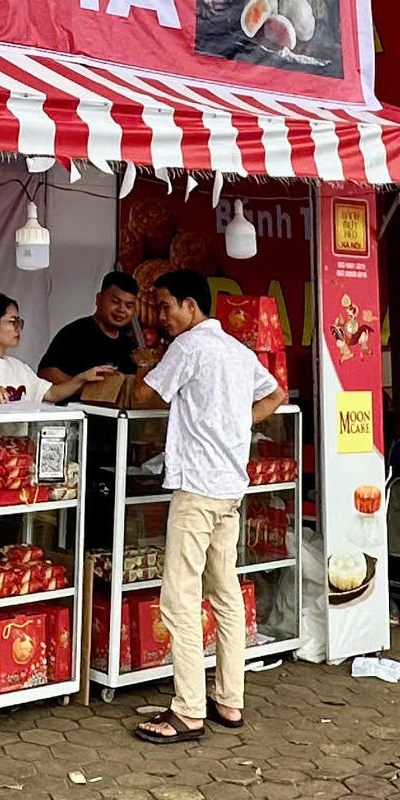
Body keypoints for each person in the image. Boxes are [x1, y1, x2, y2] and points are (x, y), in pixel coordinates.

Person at [135, 268, 282, 743]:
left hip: (197, 490)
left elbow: (143, 395)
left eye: (165, 306)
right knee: (225, 594)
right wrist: (238, 423)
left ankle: (188, 711)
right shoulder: (236, 350)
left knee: (179, 598)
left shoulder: (188, 346)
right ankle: (229, 701)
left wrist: (146, 363)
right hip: (229, 490)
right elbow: (276, 394)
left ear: (190, 305)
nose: (161, 315)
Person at [0, 293, 116, 405]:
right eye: (12, 322)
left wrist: (81, 378)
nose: (18, 328)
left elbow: (51, 393)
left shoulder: (19, 368)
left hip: (15, 450)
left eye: (19, 322)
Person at [36, 271, 146, 386]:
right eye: (115, 302)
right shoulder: (75, 333)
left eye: (129, 306)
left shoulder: (129, 346)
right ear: (98, 299)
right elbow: (46, 373)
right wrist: (84, 389)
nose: (121, 310)